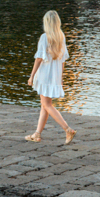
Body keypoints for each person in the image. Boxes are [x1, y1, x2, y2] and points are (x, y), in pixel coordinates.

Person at [26, 10, 76, 144]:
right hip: (53, 75)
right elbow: (63, 60)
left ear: (46, 23)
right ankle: (37, 134)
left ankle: (67, 129)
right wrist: (60, 78)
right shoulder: (61, 37)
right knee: (44, 105)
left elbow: (38, 59)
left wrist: (31, 76)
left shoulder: (44, 37)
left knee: (47, 105)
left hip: (44, 75)